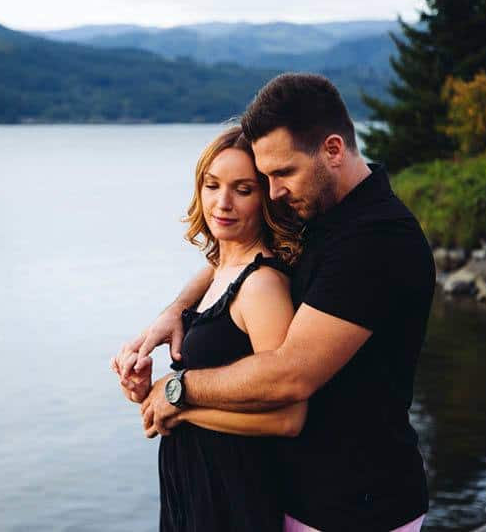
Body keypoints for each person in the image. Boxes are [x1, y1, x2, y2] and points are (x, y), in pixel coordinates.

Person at [121, 73, 435, 531]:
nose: (273, 193)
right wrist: (176, 309)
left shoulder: (375, 241)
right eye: (264, 178)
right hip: (296, 496)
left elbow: (291, 375)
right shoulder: (320, 208)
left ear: (333, 150)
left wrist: (178, 389)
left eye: (282, 173)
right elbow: (241, 256)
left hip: (357, 506)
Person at [111, 125, 308, 531]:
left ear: (266, 199)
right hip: (194, 489)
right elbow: (216, 382)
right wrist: (147, 391)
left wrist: (183, 409)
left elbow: (287, 420)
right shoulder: (220, 270)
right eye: (212, 184)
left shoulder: (262, 286)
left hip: (234, 496)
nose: (223, 202)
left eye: (243, 189)